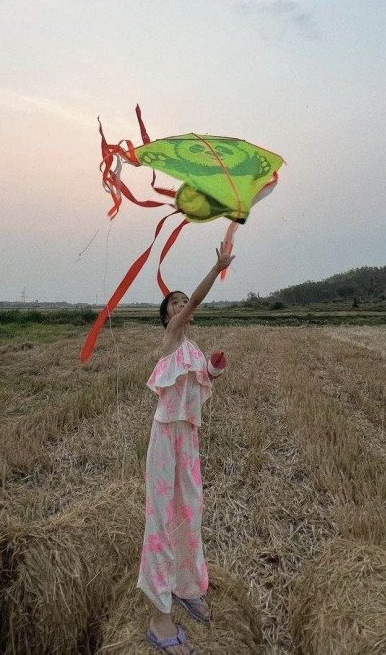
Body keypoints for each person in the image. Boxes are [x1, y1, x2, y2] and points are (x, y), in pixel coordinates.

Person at [138, 244, 233, 655]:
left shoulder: (191, 349)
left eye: (182, 301)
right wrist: (217, 266)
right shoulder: (173, 336)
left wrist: (213, 367)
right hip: (165, 436)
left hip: (188, 438)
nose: (181, 305)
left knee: (190, 512)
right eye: (174, 303)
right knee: (160, 519)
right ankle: (159, 619)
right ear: (168, 317)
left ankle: (186, 585)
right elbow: (196, 300)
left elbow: (198, 380)